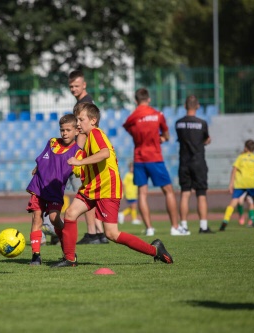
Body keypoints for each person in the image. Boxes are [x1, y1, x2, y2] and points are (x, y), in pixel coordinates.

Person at [52, 102, 173, 268]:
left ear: (93, 120)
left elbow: (104, 153)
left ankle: (155, 250)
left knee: (112, 234)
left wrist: (80, 162)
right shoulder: (88, 140)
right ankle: (70, 259)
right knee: (71, 214)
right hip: (92, 187)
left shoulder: (95, 133)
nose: (78, 123)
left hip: (107, 188)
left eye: (81, 119)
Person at [123, 88, 190, 236]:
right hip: (155, 157)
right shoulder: (157, 115)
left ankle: (149, 229)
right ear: (149, 99)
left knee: (142, 193)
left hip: (139, 158)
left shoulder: (132, 117)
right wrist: (161, 138)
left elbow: (129, 129)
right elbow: (166, 134)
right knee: (168, 191)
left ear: (135, 101)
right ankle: (174, 227)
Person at [26, 114, 83, 265]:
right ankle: (36, 256)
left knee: (54, 219)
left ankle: (67, 246)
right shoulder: (52, 142)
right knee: (36, 218)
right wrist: (37, 167)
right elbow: (45, 158)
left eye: (68, 130)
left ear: (77, 131)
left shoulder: (78, 152)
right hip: (39, 186)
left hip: (56, 190)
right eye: (62, 130)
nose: (64, 133)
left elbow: (80, 170)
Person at [68, 70, 108, 244]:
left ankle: (93, 233)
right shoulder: (83, 101)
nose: (73, 89)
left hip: (85, 154)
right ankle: (99, 232)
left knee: (85, 192)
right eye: (71, 86)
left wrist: (77, 152)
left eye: (76, 85)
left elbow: (84, 132)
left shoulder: (85, 103)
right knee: (88, 192)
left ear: (84, 85)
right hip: (87, 153)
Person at [175, 95, 213, 234]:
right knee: (201, 193)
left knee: (185, 193)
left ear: (185, 106)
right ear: (197, 106)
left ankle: (183, 226)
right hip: (198, 161)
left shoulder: (178, 123)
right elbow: (205, 139)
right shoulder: (202, 123)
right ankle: (203, 226)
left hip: (184, 161)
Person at [219, 139, 254, 231]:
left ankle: (225, 221)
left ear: (245, 148)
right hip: (251, 183)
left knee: (233, 202)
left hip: (240, 183)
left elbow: (234, 170)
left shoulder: (240, 157)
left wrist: (231, 184)